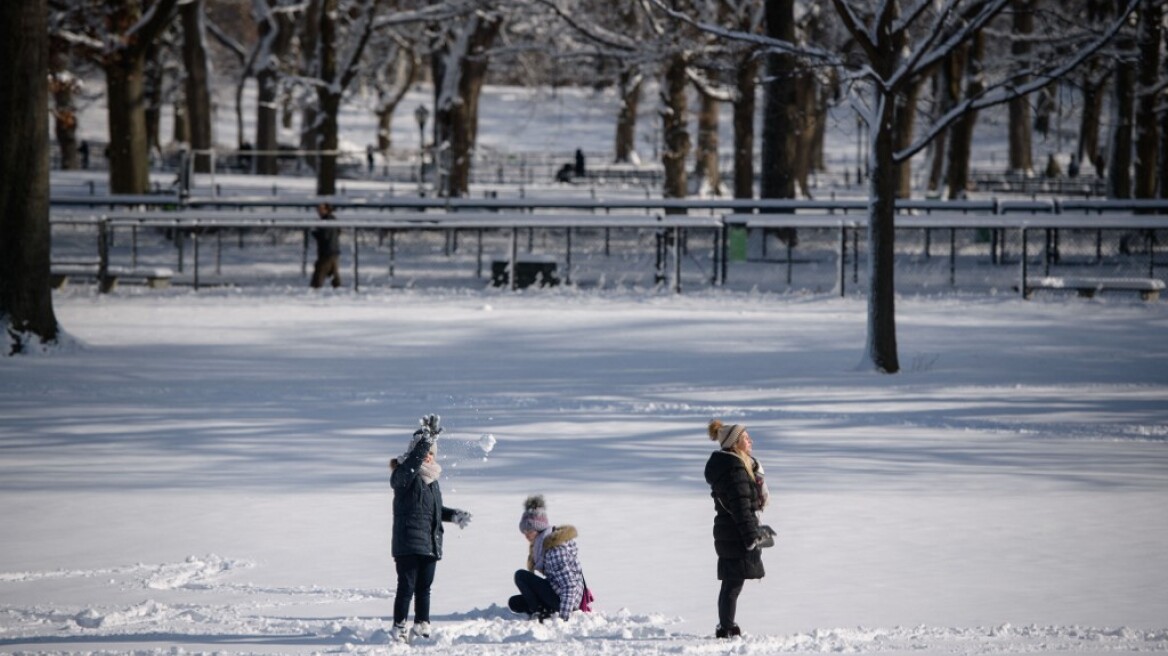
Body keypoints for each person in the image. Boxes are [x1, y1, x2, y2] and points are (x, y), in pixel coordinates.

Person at [388, 414, 472, 643]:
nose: (428, 456)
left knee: (424, 588)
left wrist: (454, 515)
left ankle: (421, 625)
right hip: (408, 543)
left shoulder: (432, 481)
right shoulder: (404, 476)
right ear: (415, 453)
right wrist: (425, 440)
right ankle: (399, 627)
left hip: (430, 542)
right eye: (424, 452)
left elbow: (434, 511)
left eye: (431, 452)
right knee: (406, 588)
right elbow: (412, 465)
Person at [704, 419, 773, 639]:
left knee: (732, 582)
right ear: (734, 443)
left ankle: (726, 625)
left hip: (731, 531)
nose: (750, 440)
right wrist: (751, 536)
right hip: (734, 532)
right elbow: (742, 506)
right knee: (732, 583)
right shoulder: (735, 471)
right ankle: (726, 628)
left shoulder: (738, 466)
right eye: (745, 438)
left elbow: (747, 504)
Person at [508, 495, 590, 622]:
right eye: (524, 532)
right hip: (557, 591)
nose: (526, 535)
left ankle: (540, 612)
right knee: (515, 602)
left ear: (539, 529)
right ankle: (542, 609)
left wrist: (563, 618)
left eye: (529, 531)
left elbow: (569, 586)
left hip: (566, 600)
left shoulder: (553, 550)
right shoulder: (543, 544)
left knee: (521, 576)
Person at [310, 203, 342, 289]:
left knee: (319, 275)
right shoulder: (334, 220)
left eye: (321, 209)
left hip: (327, 253)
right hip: (334, 252)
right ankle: (339, 290)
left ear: (326, 210)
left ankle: (314, 291)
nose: (318, 211)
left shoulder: (326, 222)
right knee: (335, 276)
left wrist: (315, 232)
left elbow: (324, 236)